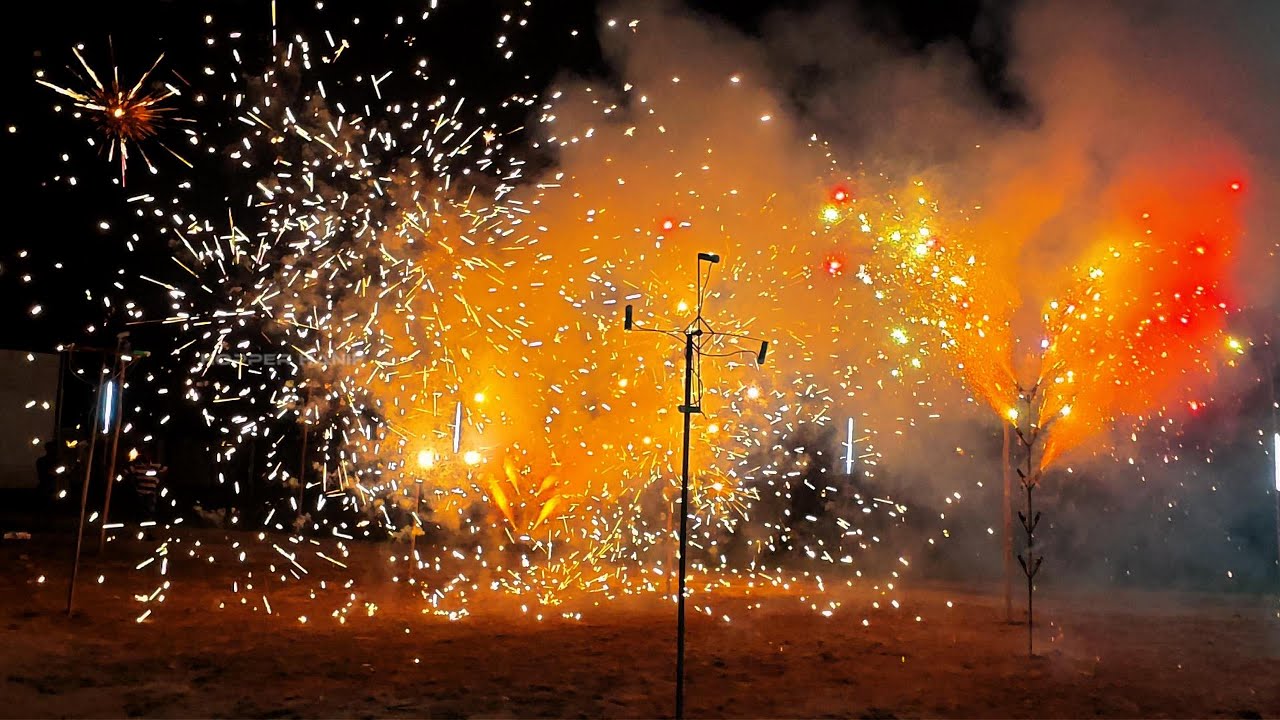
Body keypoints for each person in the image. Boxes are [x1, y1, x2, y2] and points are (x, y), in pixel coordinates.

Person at [127, 450, 168, 527]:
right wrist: (131, 461)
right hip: (140, 494)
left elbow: (165, 469)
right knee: (142, 512)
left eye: (148, 455)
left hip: (150, 494)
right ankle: (141, 527)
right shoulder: (137, 466)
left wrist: (158, 477)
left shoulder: (156, 466)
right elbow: (126, 471)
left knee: (149, 511)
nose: (146, 457)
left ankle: (148, 528)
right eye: (144, 455)